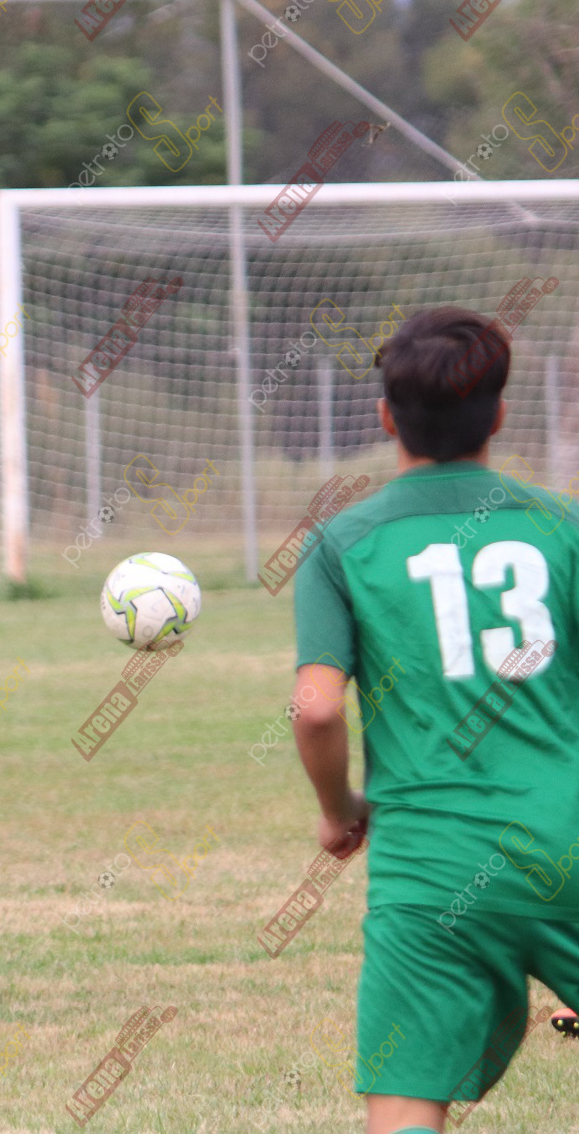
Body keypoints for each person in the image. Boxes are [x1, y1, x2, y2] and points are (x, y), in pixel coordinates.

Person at [288, 306, 579, 1133]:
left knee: (408, 1108)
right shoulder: (563, 528)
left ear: (386, 417)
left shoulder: (344, 542)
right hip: (567, 837)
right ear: (500, 414)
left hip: (431, 866)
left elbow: (316, 707)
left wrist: (339, 811)